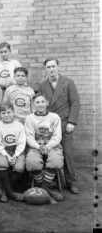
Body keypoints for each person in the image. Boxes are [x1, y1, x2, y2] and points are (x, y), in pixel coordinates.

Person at [38, 58, 80, 194]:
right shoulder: (43, 85)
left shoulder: (68, 82)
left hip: (65, 124)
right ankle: (53, 181)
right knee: (50, 152)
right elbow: (41, 106)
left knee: (67, 153)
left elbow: (75, 103)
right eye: (48, 67)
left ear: (58, 67)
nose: (51, 69)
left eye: (53, 66)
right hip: (49, 125)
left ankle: (71, 182)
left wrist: (72, 122)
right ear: (45, 69)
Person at [25, 93, 64, 204]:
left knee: (55, 160)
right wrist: (39, 146)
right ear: (33, 104)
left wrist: (48, 146)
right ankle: (48, 190)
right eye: (37, 102)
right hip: (36, 146)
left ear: (46, 103)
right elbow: (29, 137)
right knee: (32, 162)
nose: (40, 104)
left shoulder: (54, 117)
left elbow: (57, 136)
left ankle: (43, 189)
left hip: (52, 145)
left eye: (42, 102)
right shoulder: (30, 118)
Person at [0, 103, 26, 202]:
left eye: (8, 112)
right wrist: (6, 155)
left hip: (17, 151)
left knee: (19, 167)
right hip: (3, 151)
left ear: (13, 113)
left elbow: (22, 142)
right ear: (0, 115)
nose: (6, 115)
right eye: (3, 113)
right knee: (2, 164)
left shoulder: (19, 125)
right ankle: (11, 193)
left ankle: (4, 190)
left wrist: (15, 155)